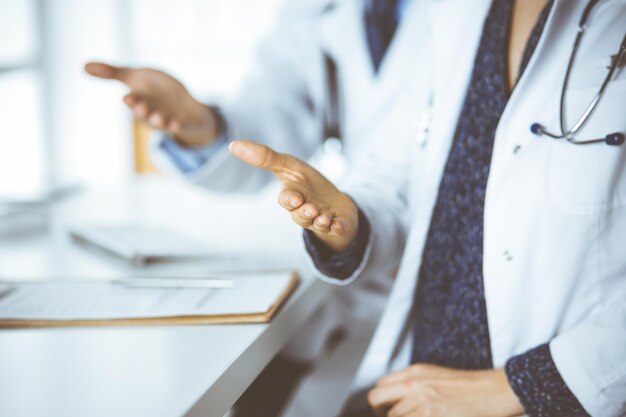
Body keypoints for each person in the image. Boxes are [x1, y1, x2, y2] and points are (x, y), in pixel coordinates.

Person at [230, 0, 626, 415]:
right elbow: (398, 170)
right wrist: (350, 222)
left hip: (556, 398)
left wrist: (522, 387)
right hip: (422, 387)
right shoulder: (457, 13)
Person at [85, 0, 431, 415]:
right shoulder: (318, 10)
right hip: (362, 250)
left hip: (445, 289)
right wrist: (201, 126)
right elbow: (275, 118)